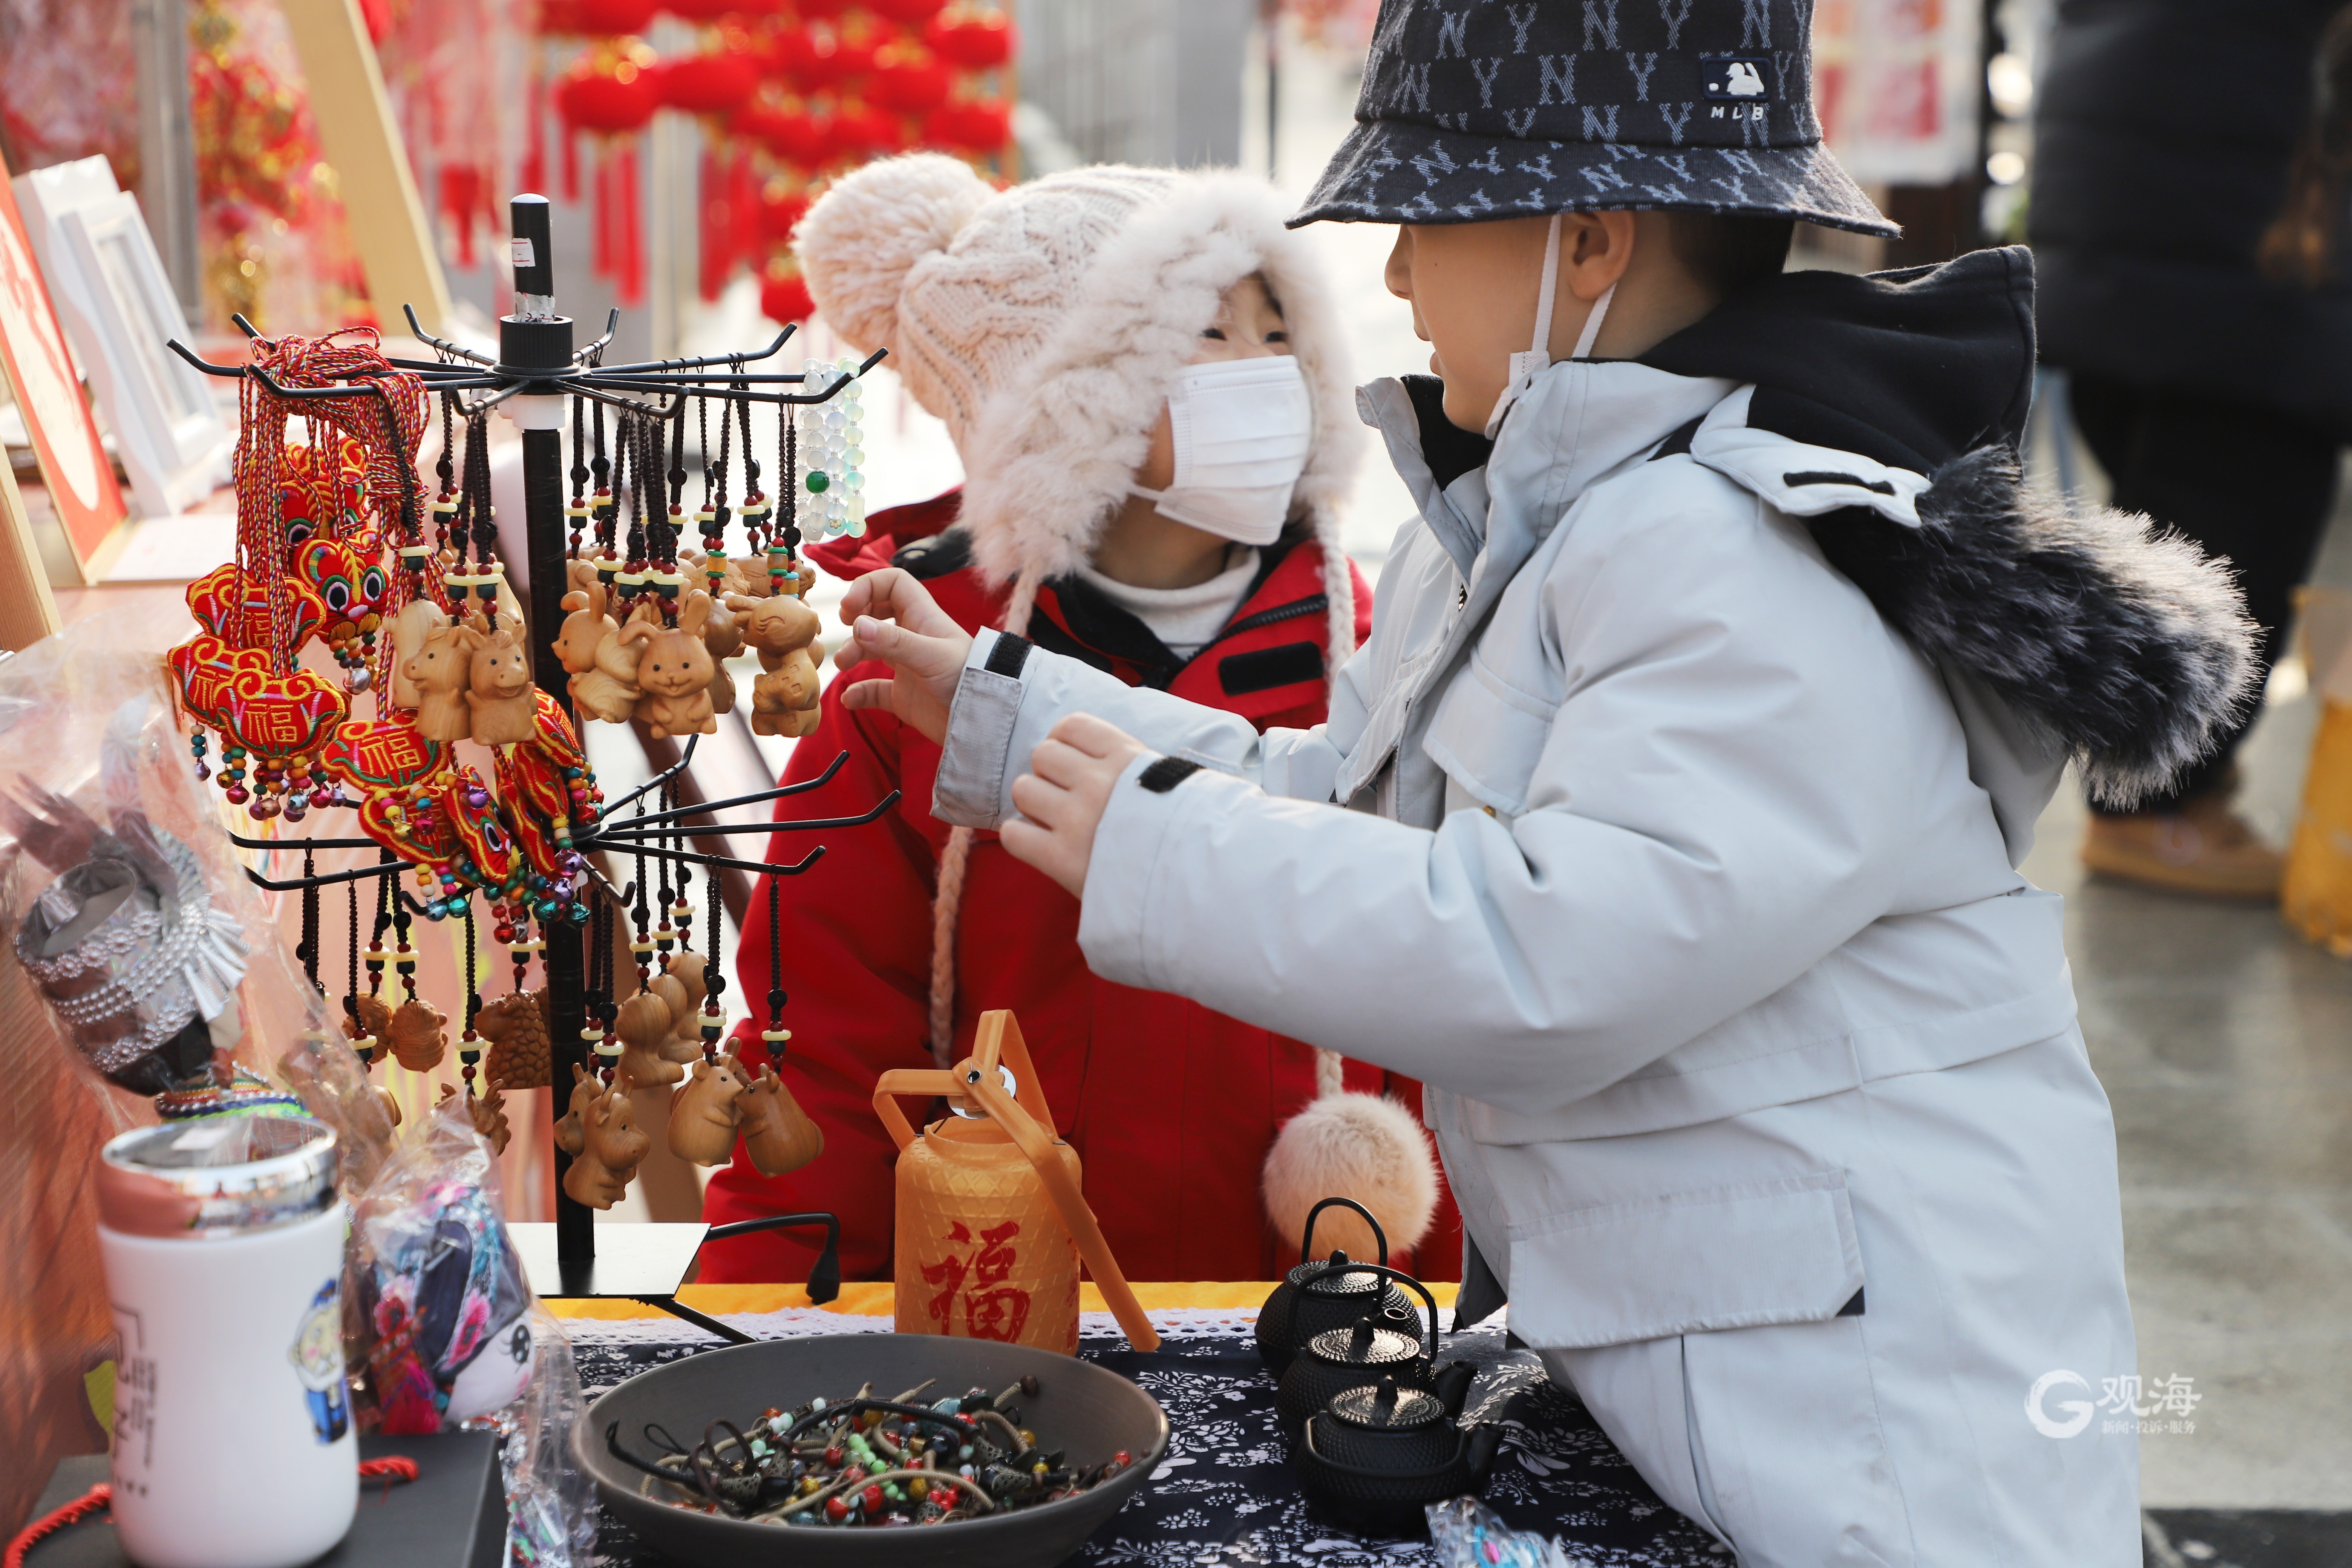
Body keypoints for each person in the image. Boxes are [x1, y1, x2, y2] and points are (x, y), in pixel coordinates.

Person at [824, 2, 2259, 1561]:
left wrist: (1150, 842)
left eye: (1426, 226)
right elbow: (1355, 799)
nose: (1386, 280)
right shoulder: (1557, 511)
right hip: (1717, 1369)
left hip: (1876, 1437)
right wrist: (1016, 714)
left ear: (1587, 243)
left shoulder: (1736, 549)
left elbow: (1546, 956)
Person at [699, 159, 1457, 1286]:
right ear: (1060, 392)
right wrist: (780, 1343)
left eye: (1277, 332)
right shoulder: (908, 692)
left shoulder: (1393, 647)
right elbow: (824, 1073)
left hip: (1343, 1332)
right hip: (1002, 1330)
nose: (1265, 375)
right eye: (1206, 333)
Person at [2034, 0, 2352, 897]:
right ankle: (2156, 809)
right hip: (2246, 205)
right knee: (2237, 512)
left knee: (2167, 516)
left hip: (2131, 181)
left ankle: (2169, 782)